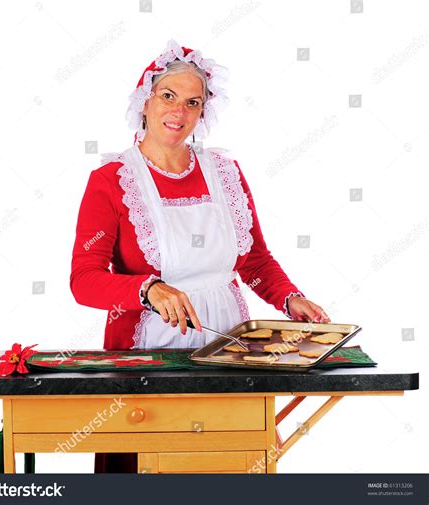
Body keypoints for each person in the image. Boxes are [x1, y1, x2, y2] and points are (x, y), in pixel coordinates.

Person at [70, 39, 330, 473]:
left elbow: (254, 260)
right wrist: (147, 289)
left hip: (228, 343)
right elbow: (84, 280)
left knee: (231, 465)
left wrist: (290, 298)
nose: (179, 111)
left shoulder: (226, 174)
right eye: (168, 96)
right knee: (152, 470)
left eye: (193, 102)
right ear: (145, 101)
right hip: (148, 352)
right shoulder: (111, 180)